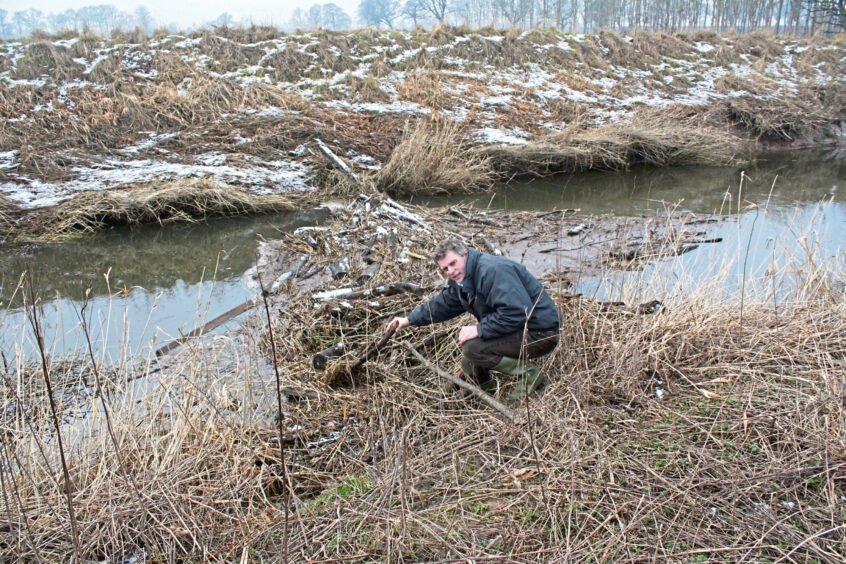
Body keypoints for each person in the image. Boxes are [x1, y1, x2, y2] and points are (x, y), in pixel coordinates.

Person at [386, 238, 560, 399]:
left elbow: (518, 312)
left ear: (466, 253)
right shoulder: (464, 278)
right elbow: (443, 303)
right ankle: (485, 393)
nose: (451, 271)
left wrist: (479, 329)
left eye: (453, 263)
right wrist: (409, 319)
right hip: (520, 327)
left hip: (540, 333)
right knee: (469, 361)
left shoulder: (491, 270)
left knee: (473, 347)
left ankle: (529, 375)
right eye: (445, 269)